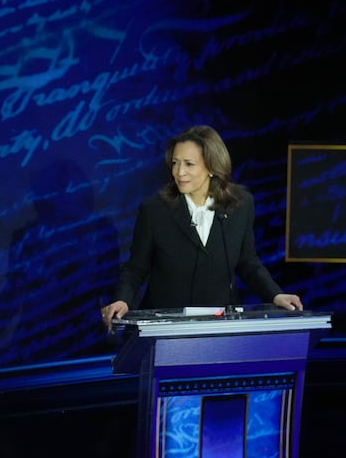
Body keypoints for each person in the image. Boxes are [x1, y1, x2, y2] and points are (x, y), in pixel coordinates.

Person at [100, 125, 303, 331]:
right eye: (175, 163)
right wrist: (122, 300)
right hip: (165, 328)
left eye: (189, 164)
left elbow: (248, 262)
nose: (179, 172)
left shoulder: (240, 205)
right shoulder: (154, 210)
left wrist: (276, 294)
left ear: (212, 167)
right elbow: (135, 269)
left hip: (220, 327)